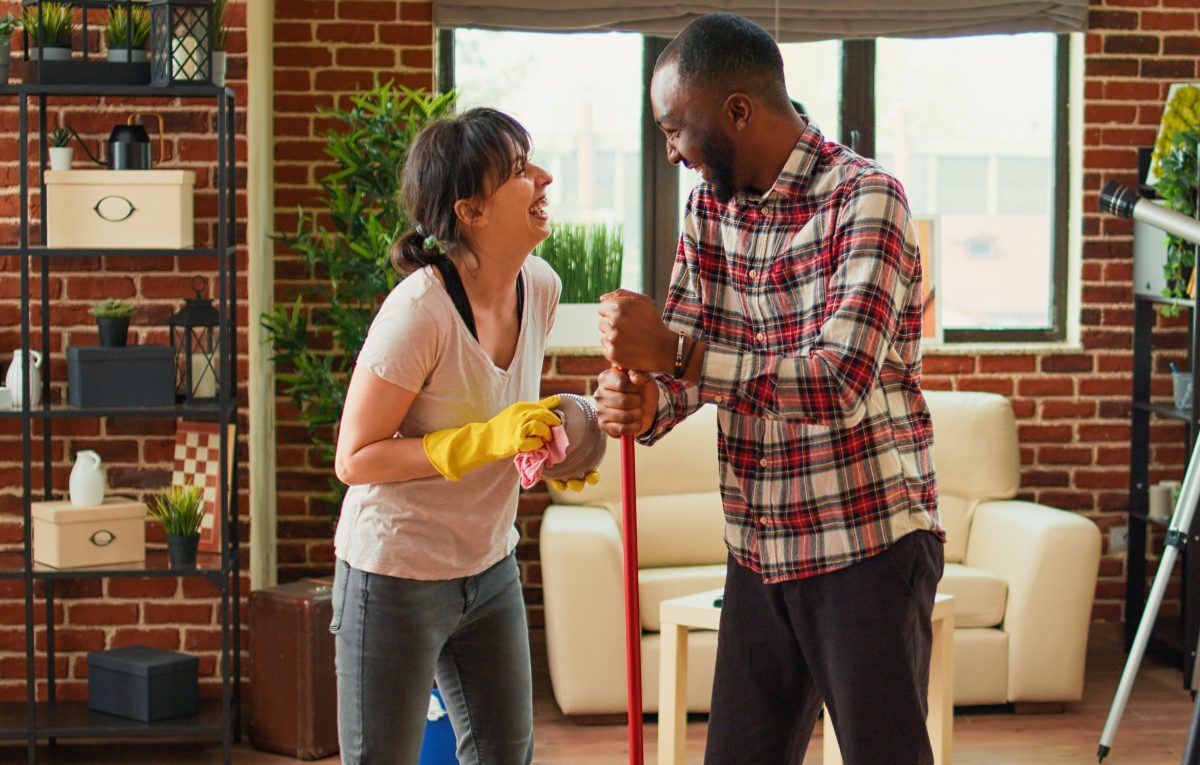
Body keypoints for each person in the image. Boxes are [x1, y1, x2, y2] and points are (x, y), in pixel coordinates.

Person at [593, 13, 945, 765]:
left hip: (866, 542)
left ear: (738, 112)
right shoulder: (709, 209)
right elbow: (685, 358)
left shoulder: (867, 199)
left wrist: (678, 357)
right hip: (758, 545)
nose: (671, 152)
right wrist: (649, 401)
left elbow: (838, 379)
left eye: (675, 129)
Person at [330, 107, 562, 765]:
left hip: (488, 567)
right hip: (394, 573)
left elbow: (503, 413)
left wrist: (549, 431)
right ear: (471, 211)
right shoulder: (420, 312)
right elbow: (355, 456)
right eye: (520, 171)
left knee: (503, 755)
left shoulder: (539, 288)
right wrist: (482, 440)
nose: (544, 177)